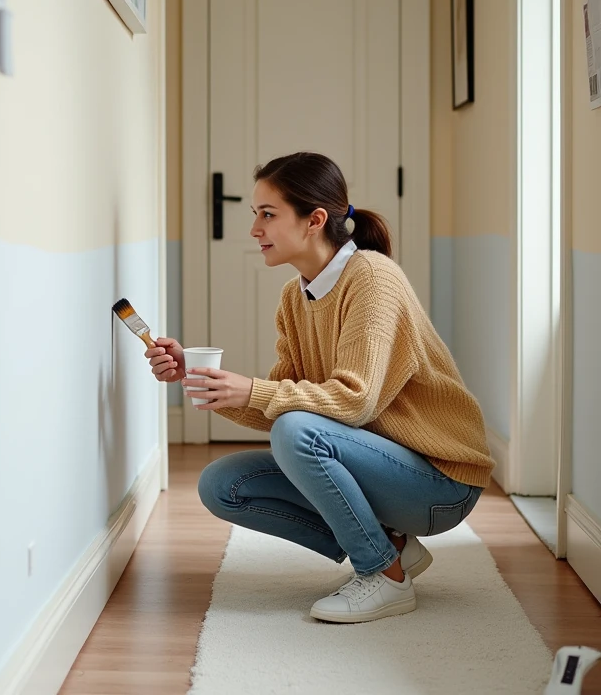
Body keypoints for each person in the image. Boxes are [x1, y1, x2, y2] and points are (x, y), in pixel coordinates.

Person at [146, 151, 494, 624]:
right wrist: (197, 374)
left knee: (296, 431)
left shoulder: (372, 278)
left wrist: (253, 391)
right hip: (384, 469)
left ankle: (384, 577)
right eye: (255, 215)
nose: (255, 230)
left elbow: (354, 400)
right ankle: (388, 547)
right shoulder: (296, 296)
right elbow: (282, 400)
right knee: (223, 485)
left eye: (268, 215)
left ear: (315, 220)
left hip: (441, 482)